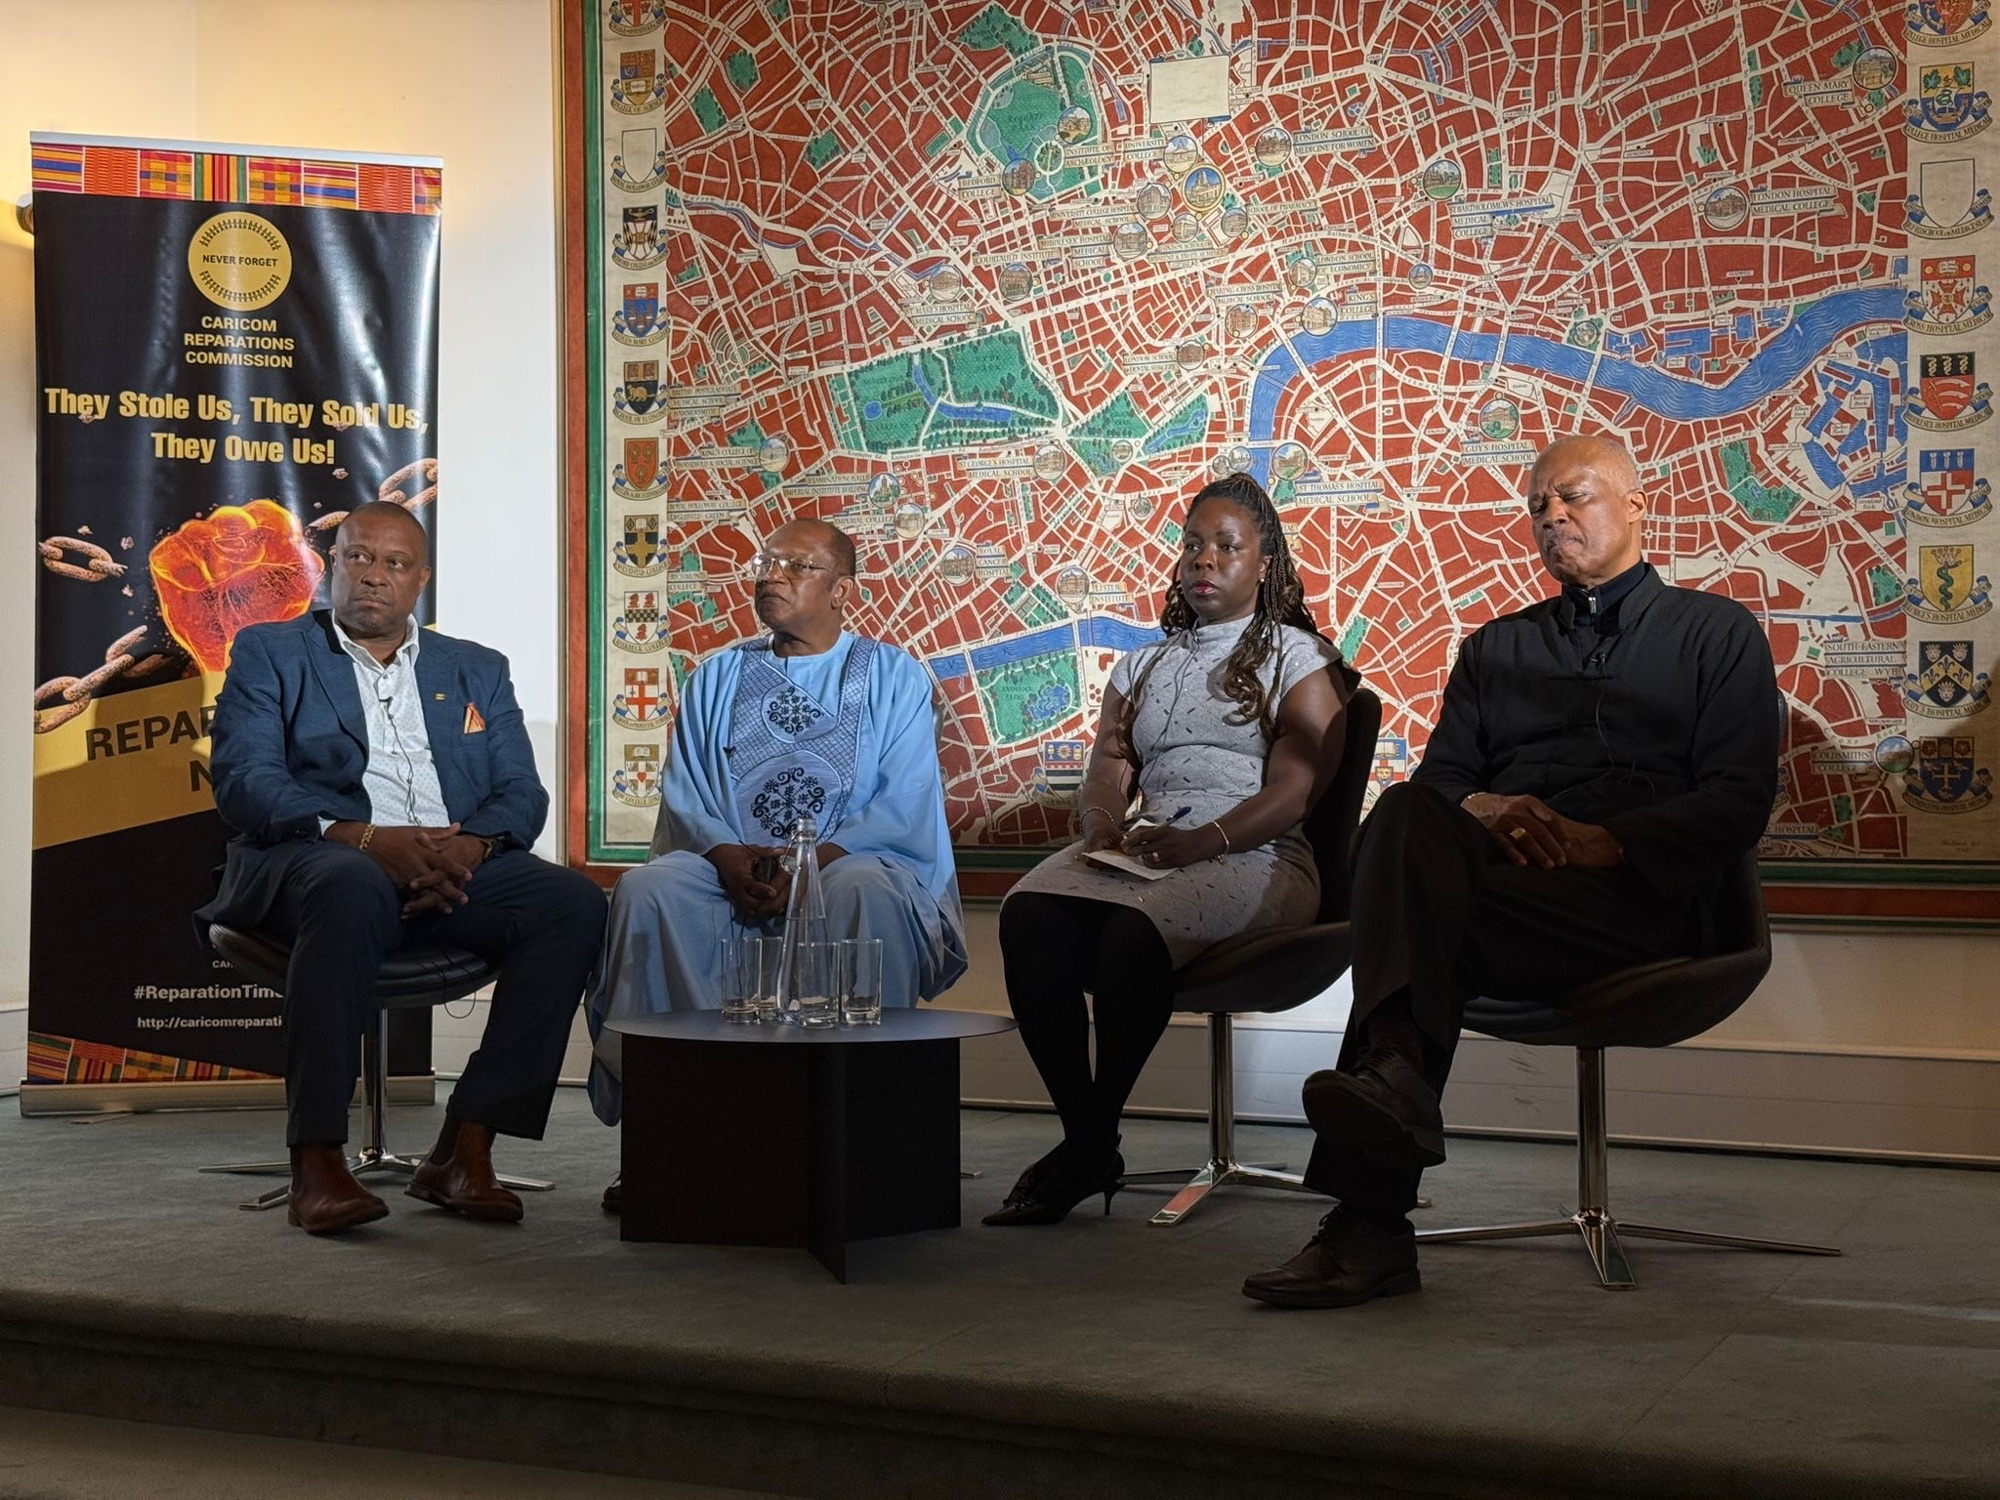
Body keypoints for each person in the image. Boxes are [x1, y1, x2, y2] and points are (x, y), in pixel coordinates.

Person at [1241, 434, 1781, 1308]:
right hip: (1511, 896)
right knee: (1408, 812)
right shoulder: (1496, 649)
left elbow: (1738, 800)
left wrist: (1605, 842)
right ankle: (1393, 1084)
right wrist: (1484, 808)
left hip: (1641, 904)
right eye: (1537, 507)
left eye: (1572, 497)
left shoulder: (1716, 634)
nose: (1551, 516)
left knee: (1425, 928)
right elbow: (1443, 787)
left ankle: (1371, 1213)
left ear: (1637, 506)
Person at [199, 501, 607, 1236]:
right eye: (358, 557)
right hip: (317, 860)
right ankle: (317, 1159)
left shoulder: (476, 667)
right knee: (351, 881)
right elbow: (245, 782)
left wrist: (467, 848)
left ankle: (465, 1146)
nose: (373, 576)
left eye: (394, 563)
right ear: (332, 565)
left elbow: (521, 792)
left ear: (421, 579)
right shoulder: (272, 651)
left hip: (451, 863)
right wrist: (361, 838)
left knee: (572, 904)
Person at [985, 474, 1358, 1226]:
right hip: (1154, 848)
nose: (1203, 560)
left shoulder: (1300, 659)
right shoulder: (1143, 665)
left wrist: (1202, 842)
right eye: (1192, 545)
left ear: (1265, 564)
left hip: (1259, 855)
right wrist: (1100, 825)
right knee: (1028, 916)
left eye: (1226, 546)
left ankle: (1091, 1141)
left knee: (1131, 933)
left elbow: (1294, 794)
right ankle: (1088, 1139)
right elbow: (1108, 767)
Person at [585, 519, 967, 1148]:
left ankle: (860, 1133)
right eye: (765, 564)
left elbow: (903, 800)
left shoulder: (893, 675)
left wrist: (810, 865)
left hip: (845, 864)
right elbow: (686, 790)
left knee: (864, 888)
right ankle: (674, 1130)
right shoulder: (718, 675)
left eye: (796, 566)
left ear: (842, 590)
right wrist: (728, 856)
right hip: (736, 868)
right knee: (649, 890)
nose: (771, 577)